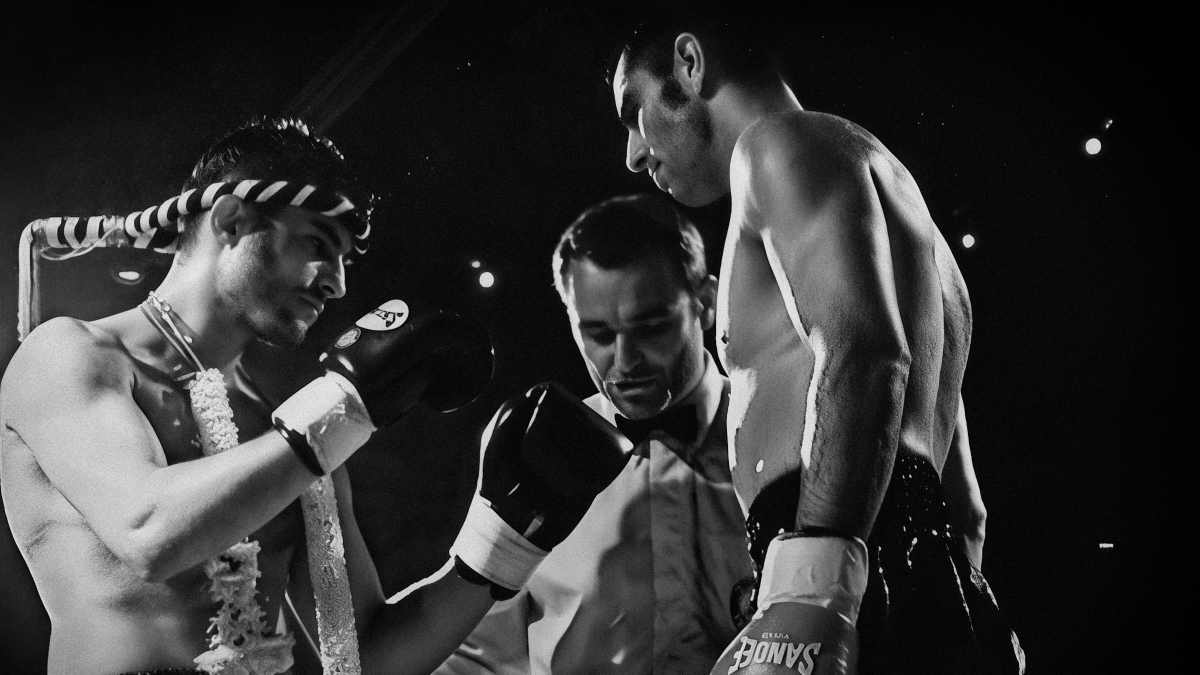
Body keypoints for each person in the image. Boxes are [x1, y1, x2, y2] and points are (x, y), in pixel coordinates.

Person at [0, 118, 630, 675]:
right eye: (319, 246)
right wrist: (344, 407)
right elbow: (148, 532)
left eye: (347, 259)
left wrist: (500, 546)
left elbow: (362, 655)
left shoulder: (291, 428)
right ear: (231, 221)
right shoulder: (72, 356)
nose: (337, 282)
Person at [607, 7, 1024, 674]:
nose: (632, 152)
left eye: (634, 111)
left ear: (690, 63)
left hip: (839, 566)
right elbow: (963, 504)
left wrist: (812, 588)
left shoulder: (775, 146)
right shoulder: (914, 225)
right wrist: (952, 619)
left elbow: (866, 352)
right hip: (914, 577)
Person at [437, 194, 754, 674]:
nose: (625, 363)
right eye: (600, 335)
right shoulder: (535, 453)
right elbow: (472, 656)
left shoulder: (783, 433)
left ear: (706, 303)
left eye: (651, 328)